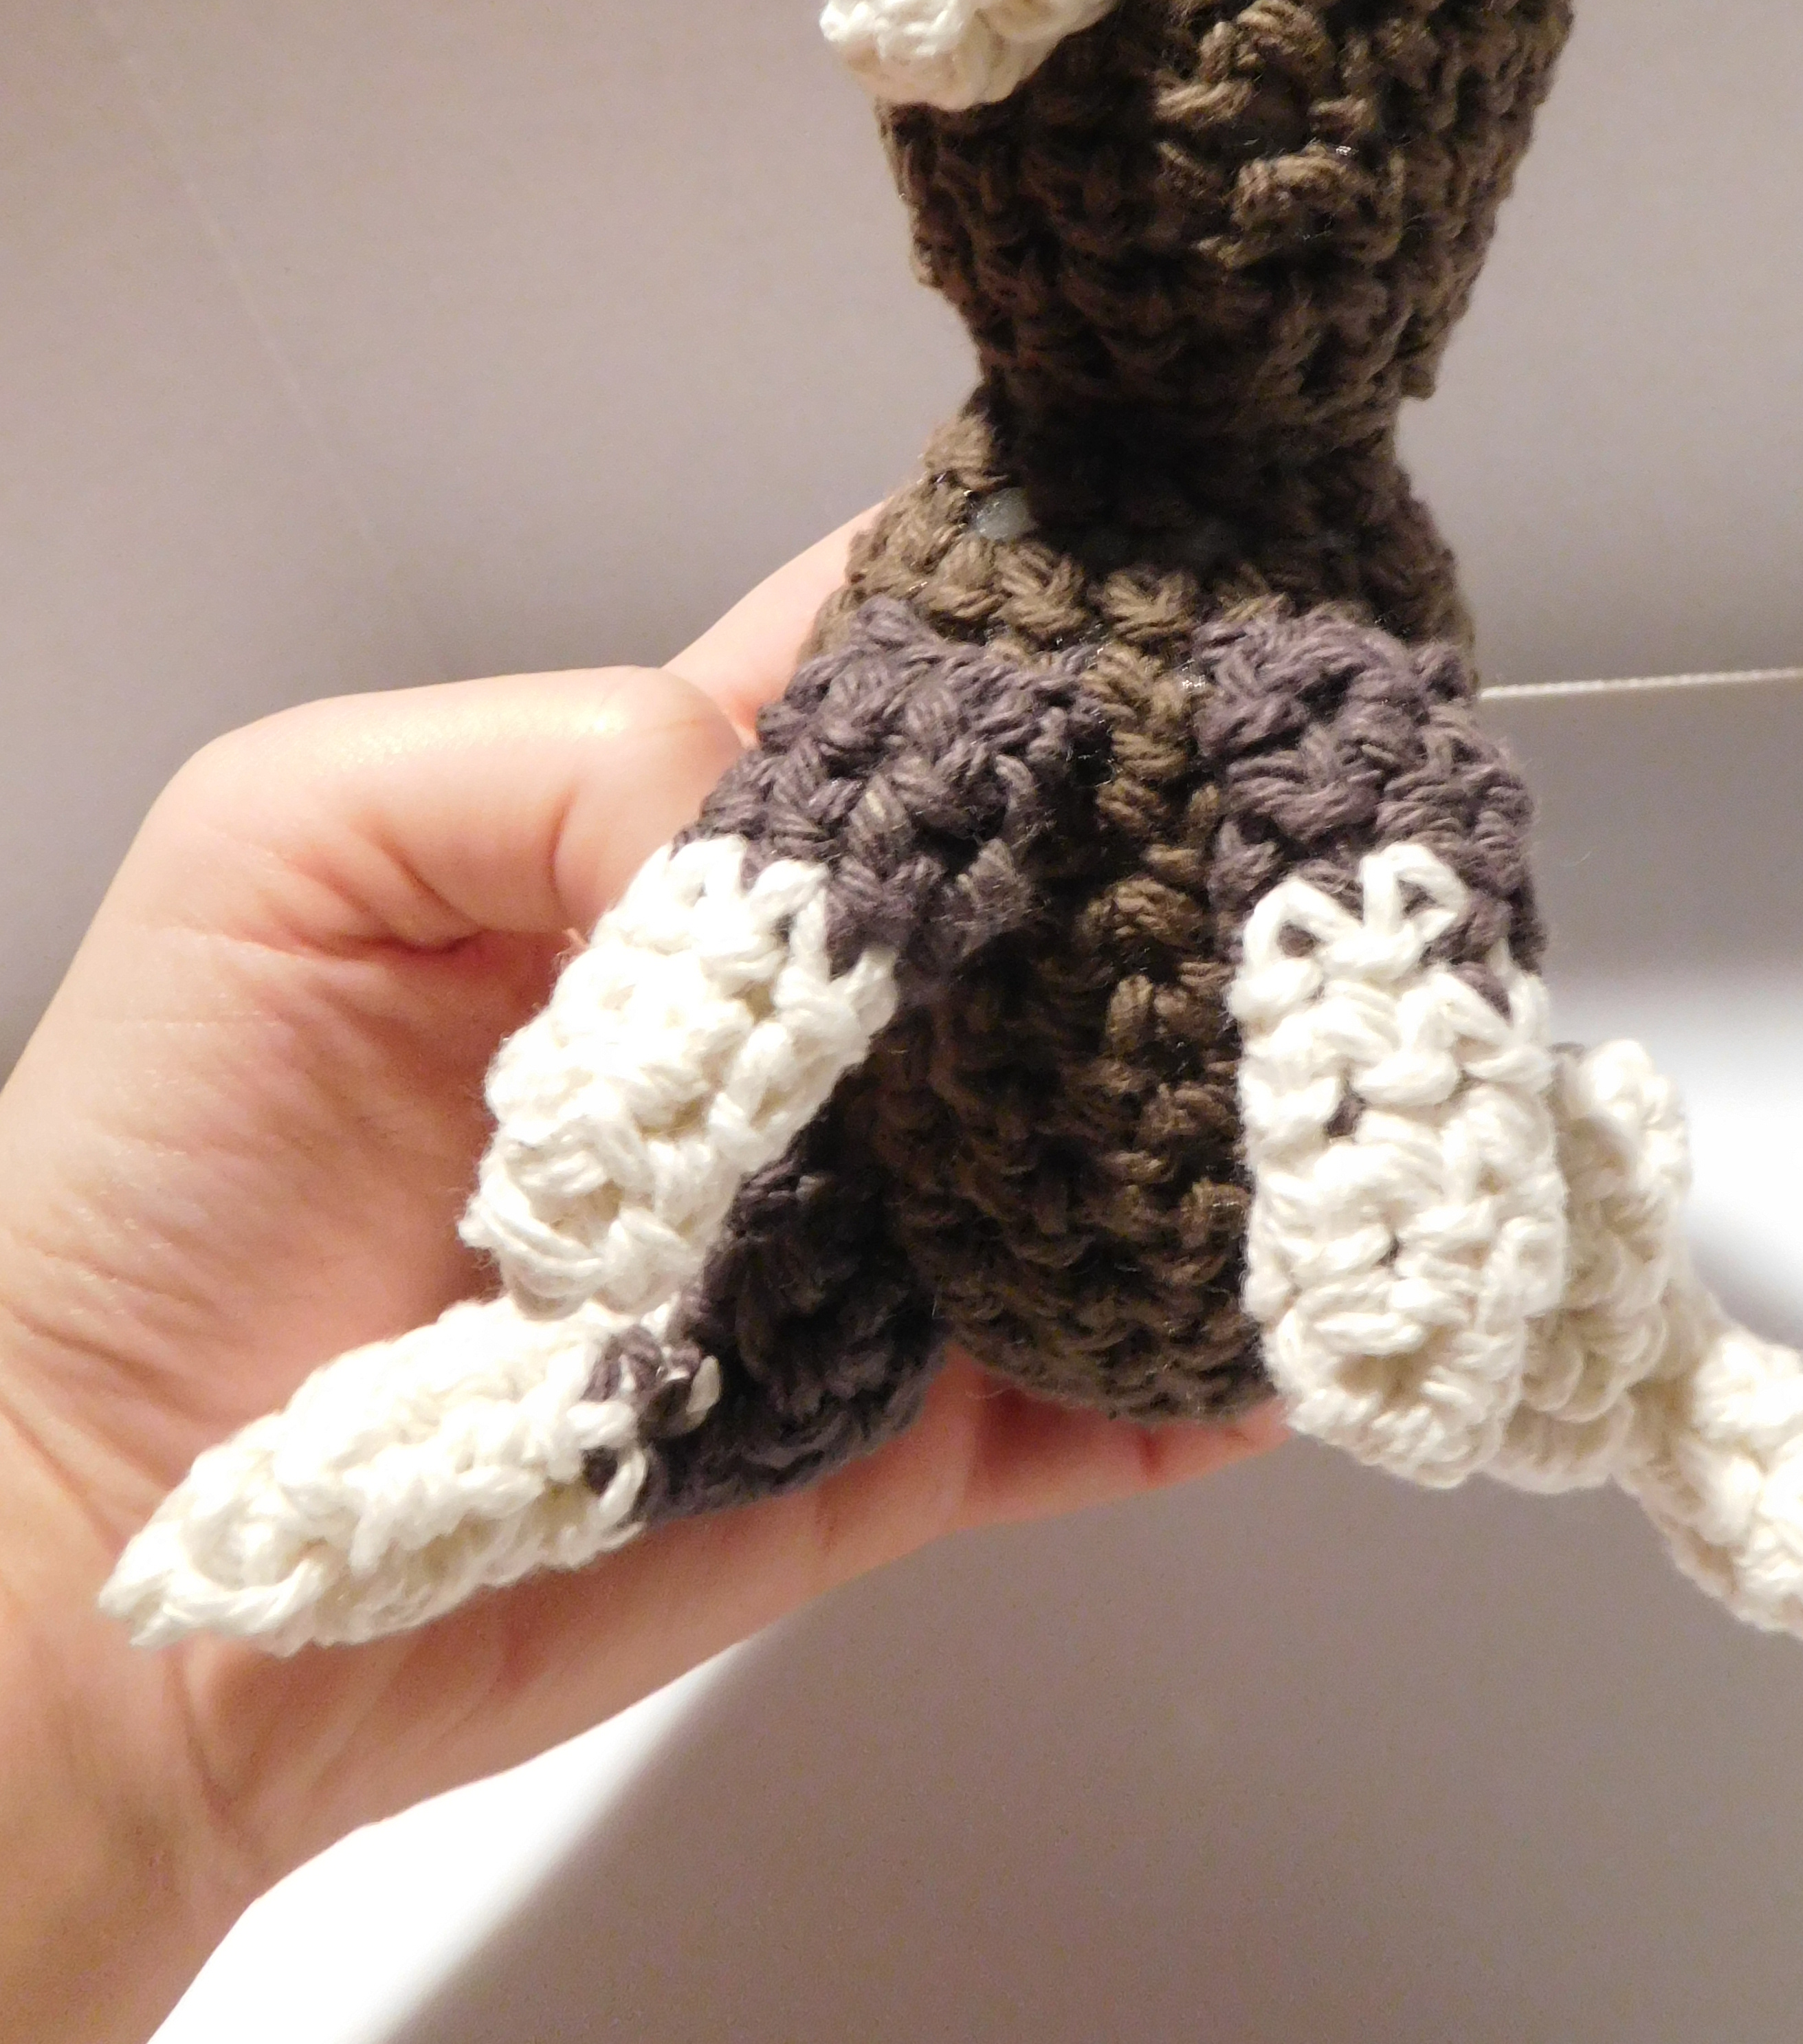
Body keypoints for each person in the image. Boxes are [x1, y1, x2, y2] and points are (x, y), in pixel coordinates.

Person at [0, 518, 1281, 2044]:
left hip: (1084, 1246)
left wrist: (93, 1639)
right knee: (728, 1348)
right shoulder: (980, 635)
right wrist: (71, 1537)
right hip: (909, 1212)